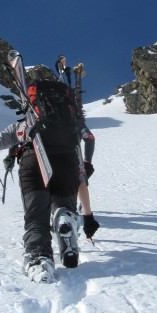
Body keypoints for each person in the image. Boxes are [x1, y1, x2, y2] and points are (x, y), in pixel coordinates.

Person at [0, 76, 100, 284]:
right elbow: (89, 139)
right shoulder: (73, 125)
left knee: (36, 218)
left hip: (34, 161)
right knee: (63, 203)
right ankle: (65, 217)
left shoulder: (23, 125)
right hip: (69, 162)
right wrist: (88, 216)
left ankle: (39, 259)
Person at [55, 54, 96, 215]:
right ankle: (81, 208)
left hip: (53, 146)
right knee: (79, 178)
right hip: (73, 152)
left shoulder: (54, 116)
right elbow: (90, 138)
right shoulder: (76, 120)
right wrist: (87, 162)